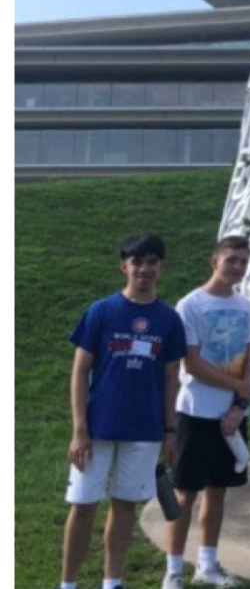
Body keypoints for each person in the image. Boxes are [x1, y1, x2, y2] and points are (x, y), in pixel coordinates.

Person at [60, 234, 187, 589]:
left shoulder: (169, 320)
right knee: (83, 505)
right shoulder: (102, 311)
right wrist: (79, 428)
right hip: (98, 428)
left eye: (152, 262)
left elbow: (170, 378)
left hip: (144, 430)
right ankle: (67, 583)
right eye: (137, 261)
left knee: (125, 507)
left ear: (160, 268)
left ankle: (111, 582)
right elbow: (80, 370)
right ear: (124, 267)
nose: (144, 269)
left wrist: (170, 431)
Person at [162, 236, 250, 589]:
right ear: (214, 261)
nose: (238, 267)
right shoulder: (190, 305)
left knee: (218, 490)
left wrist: (239, 406)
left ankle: (208, 563)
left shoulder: (246, 306)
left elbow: (249, 356)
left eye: (244, 261)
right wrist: (238, 388)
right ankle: (173, 570)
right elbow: (193, 364)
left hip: (229, 416)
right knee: (185, 492)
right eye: (232, 259)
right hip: (195, 411)